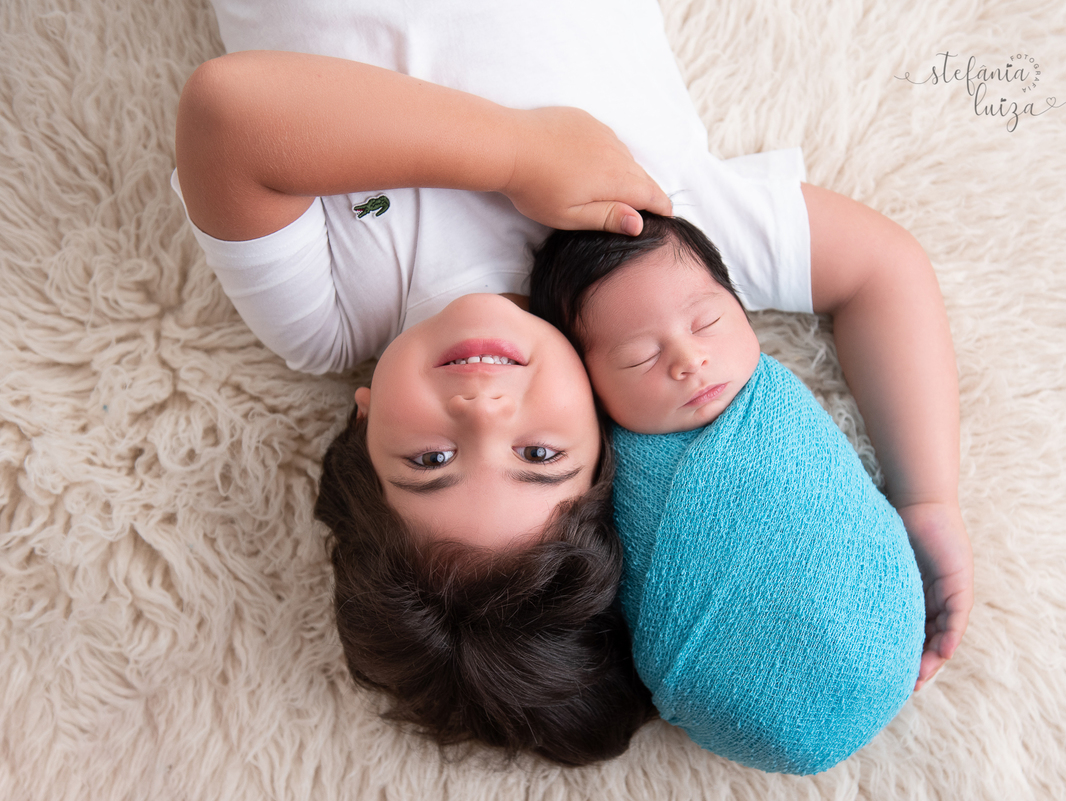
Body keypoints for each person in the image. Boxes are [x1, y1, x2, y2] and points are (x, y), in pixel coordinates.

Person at [173, 0, 971, 768]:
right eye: (538, 454)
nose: (484, 410)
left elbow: (226, 111)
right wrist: (927, 495)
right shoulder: (660, 256)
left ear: (365, 420)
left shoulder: (331, 318)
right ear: (601, 434)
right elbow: (880, 271)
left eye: (431, 460)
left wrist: (518, 154)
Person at [530, 212, 927, 773]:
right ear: (588, 386)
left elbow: (836, 502)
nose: (688, 361)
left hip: (881, 631)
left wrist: (928, 500)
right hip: (723, 690)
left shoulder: (774, 407)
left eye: (708, 321)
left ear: (739, 307)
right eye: (639, 357)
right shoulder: (607, 462)